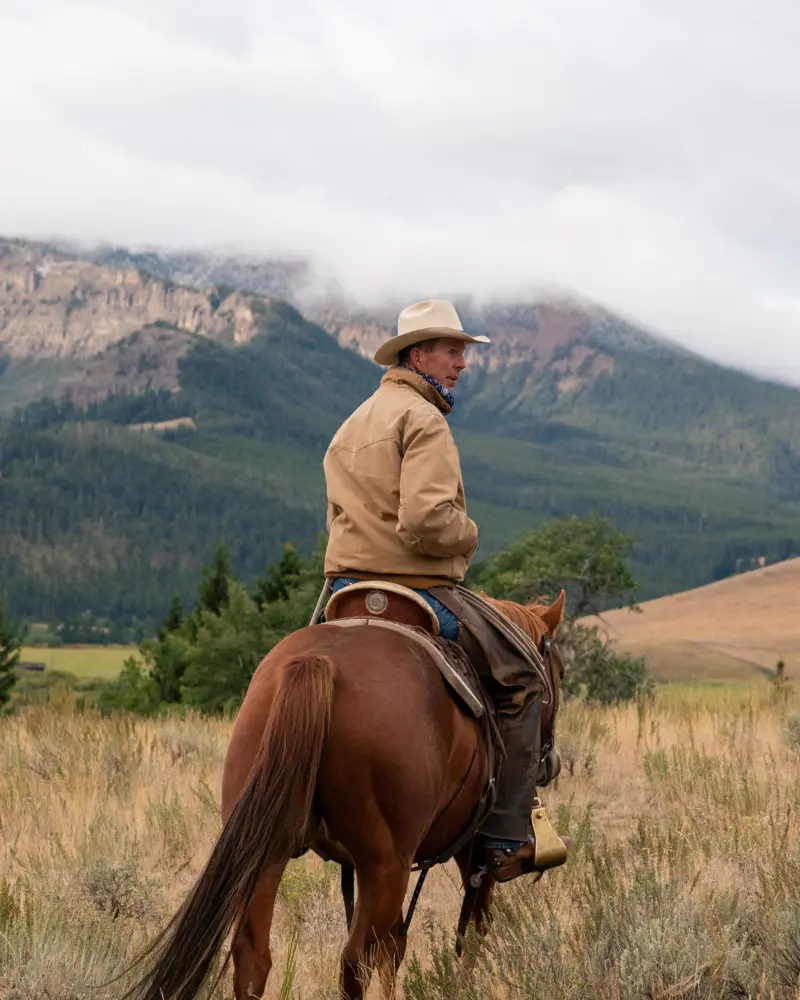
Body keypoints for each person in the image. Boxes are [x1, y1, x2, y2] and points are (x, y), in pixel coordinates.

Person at [323, 299, 549, 882]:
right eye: (453, 351)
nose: (462, 363)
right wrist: (468, 534)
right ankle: (506, 838)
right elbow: (424, 520)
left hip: (344, 590)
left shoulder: (351, 424)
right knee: (525, 678)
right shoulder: (424, 420)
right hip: (419, 586)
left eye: (463, 352)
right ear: (418, 354)